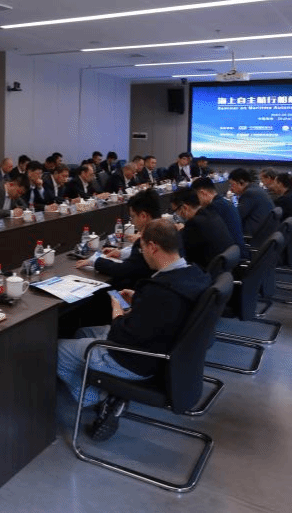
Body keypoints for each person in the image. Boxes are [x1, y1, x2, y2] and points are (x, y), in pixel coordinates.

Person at [58, 219, 211, 441]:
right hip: (163, 349)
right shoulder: (194, 275)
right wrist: (140, 300)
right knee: (82, 333)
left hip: (136, 359)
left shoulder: (161, 290)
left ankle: (99, 400)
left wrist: (117, 309)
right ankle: (106, 389)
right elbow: (161, 313)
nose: (142, 254)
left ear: (153, 247)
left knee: (57, 350)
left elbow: (120, 335)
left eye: (142, 248)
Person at [77, 189, 159, 288]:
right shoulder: (165, 231)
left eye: (133, 217)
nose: (132, 222)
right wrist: (121, 253)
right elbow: (139, 259)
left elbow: (123, 270)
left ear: (143, 216)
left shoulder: (145, 241)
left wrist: (94, 261)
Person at [170, 188, 236, 272]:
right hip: (225, 270)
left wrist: (180, 232)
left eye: (176, 211)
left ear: (184, 207)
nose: (177, 214)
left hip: (208, 273)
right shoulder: (211, 213)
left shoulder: (193, 223)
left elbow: (185, 255)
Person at [191, 176, 248, 259]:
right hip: (236, 252)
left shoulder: (213, 208)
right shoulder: (224, 202)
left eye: (196, 197)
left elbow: (202, 234)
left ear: (202, 193)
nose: (196, 201)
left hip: (230, 257)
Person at [228, 167, 274, 239]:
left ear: (241, 182)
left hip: (253, 237)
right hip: (264, 232)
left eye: (232, 184)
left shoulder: (249, 193)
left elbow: (236, 217)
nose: (231, 189)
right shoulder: (255, 188)